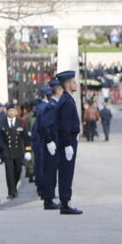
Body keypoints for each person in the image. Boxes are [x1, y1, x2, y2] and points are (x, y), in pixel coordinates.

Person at [54, 70, 83, 215]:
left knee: (67, 172)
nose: (75, 84)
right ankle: (65, 203)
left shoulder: (67, 99)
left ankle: (65, 201)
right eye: (73, 82)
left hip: (69, 140)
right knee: (66, 172)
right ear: (67, 84)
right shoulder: (66, 101)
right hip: (68, 141)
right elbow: (64, 125)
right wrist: (67, 145)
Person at [0, 104, 31, 200]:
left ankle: (14, 186)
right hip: (7, 151)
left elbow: (26, 137)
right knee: (9, 172)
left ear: (16, 112)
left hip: (18, 151)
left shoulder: (21, 122)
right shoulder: (2, 122)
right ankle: (11, 191)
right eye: (9, 111)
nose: (11, 112)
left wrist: (27, 150)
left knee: (18, 170)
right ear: (7, 112)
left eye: (13, 110)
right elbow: (0, 138)